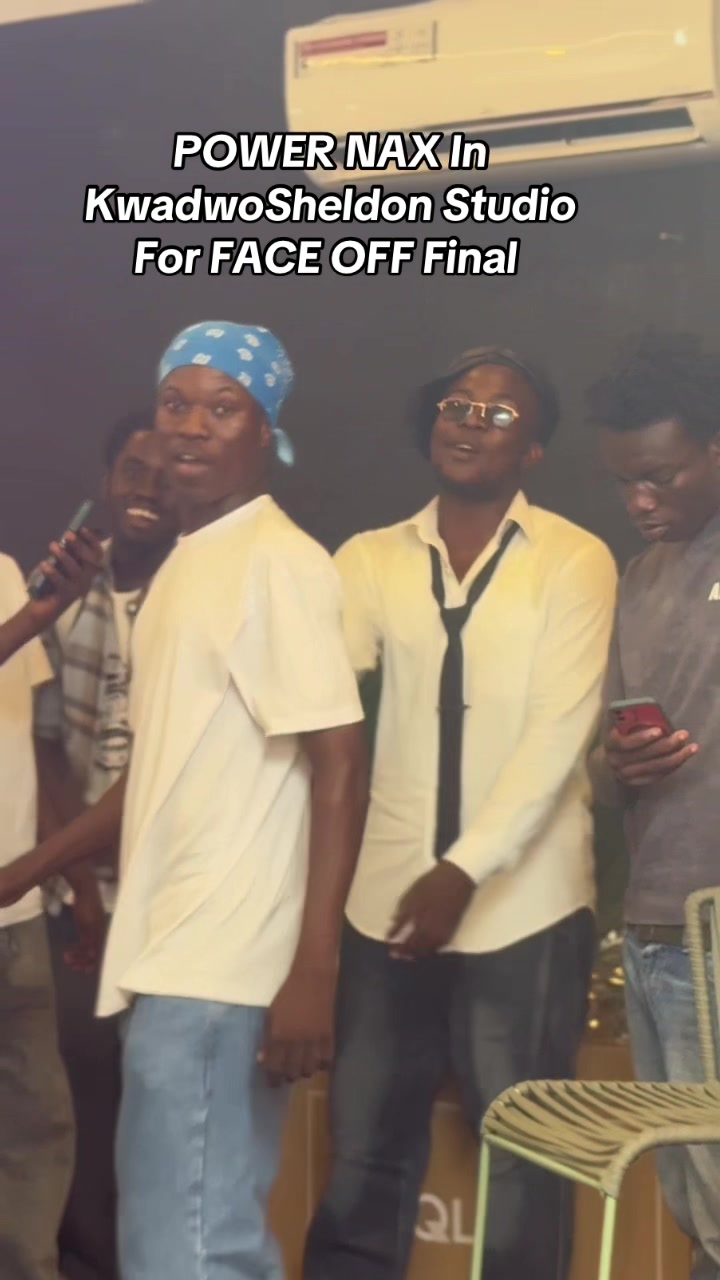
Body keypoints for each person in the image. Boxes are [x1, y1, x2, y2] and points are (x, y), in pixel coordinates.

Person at [0, 321, 368, 1280]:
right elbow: (159, 773)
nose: (193, 427)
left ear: (265, 430)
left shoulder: (278, 562)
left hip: (227, 965)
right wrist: (28, 872)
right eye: (176, 405)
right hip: (168, 955)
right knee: (167, 1243)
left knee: (196, 1249)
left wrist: (315, 970)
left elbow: (339, 760)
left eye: (223, 408)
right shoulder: (187, 566)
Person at [303, 347, 618, 1280]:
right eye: (457, 405)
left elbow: (560, 734)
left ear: (535, 452)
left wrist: (462, 870)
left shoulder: (576, 558)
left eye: (500, 414)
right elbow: (322, 708)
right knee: (363, 1152)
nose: (471, 422)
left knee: (525, 1161)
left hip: (527, 907)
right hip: (386, 905)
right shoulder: (368, 559)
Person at [587, 332, 720, 1280]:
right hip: (652, 925)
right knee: (695, 1208)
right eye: (625, 482)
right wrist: (620, 763)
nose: (639, 501)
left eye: (660, 478)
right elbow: (601, 771)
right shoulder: (640, 577)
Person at [35, 412, 177, 1280]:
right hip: (78, 896)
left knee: (161, 1104)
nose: (148, 488)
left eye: (167, 474)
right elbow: (44, 745)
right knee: (81, 1097)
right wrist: (82, 884)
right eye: (133, 469)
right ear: (106, 479)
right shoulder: (67, 594)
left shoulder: (201, 592)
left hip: (176, 900)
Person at [0, 523, 102, 1280]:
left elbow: (22, 748)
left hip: (18, 918)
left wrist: (73, 876)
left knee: (36, 1127)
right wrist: (29, 621)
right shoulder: (22, 603)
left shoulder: (5, 572)